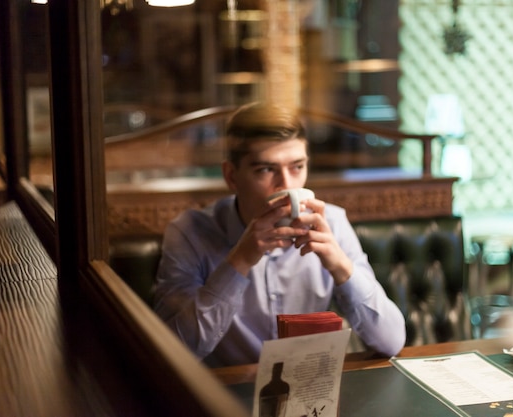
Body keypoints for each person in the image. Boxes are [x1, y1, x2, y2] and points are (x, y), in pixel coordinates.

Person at [153, 102, 406, 367]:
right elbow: (173, 352)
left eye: (297, 167)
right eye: (266, 170)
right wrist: (239, 260)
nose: (287, 185)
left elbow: (391, 341)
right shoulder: (189, 233)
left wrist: (341, 266)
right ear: (231, 176)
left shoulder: (331, 222)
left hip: (310, 391)